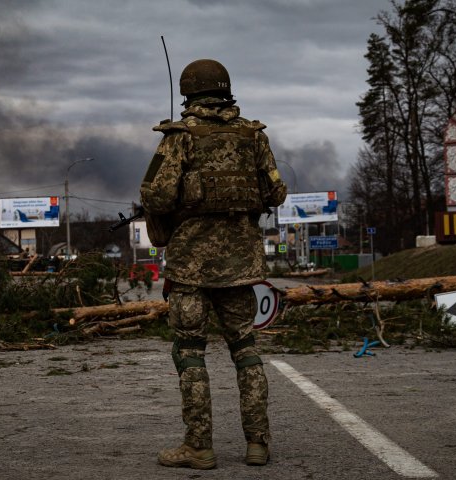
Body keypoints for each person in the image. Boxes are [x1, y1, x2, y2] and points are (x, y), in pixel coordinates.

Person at [140, 58, 287, 470]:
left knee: (189, 352)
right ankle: (257, 442)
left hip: (190, 265)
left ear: (189, 93)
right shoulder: (254, 137)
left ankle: (199, 446)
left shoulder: (180, 137)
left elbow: (155, 195)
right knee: (245, 349)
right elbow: (276, 192)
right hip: (241, 263)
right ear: (226, 91)